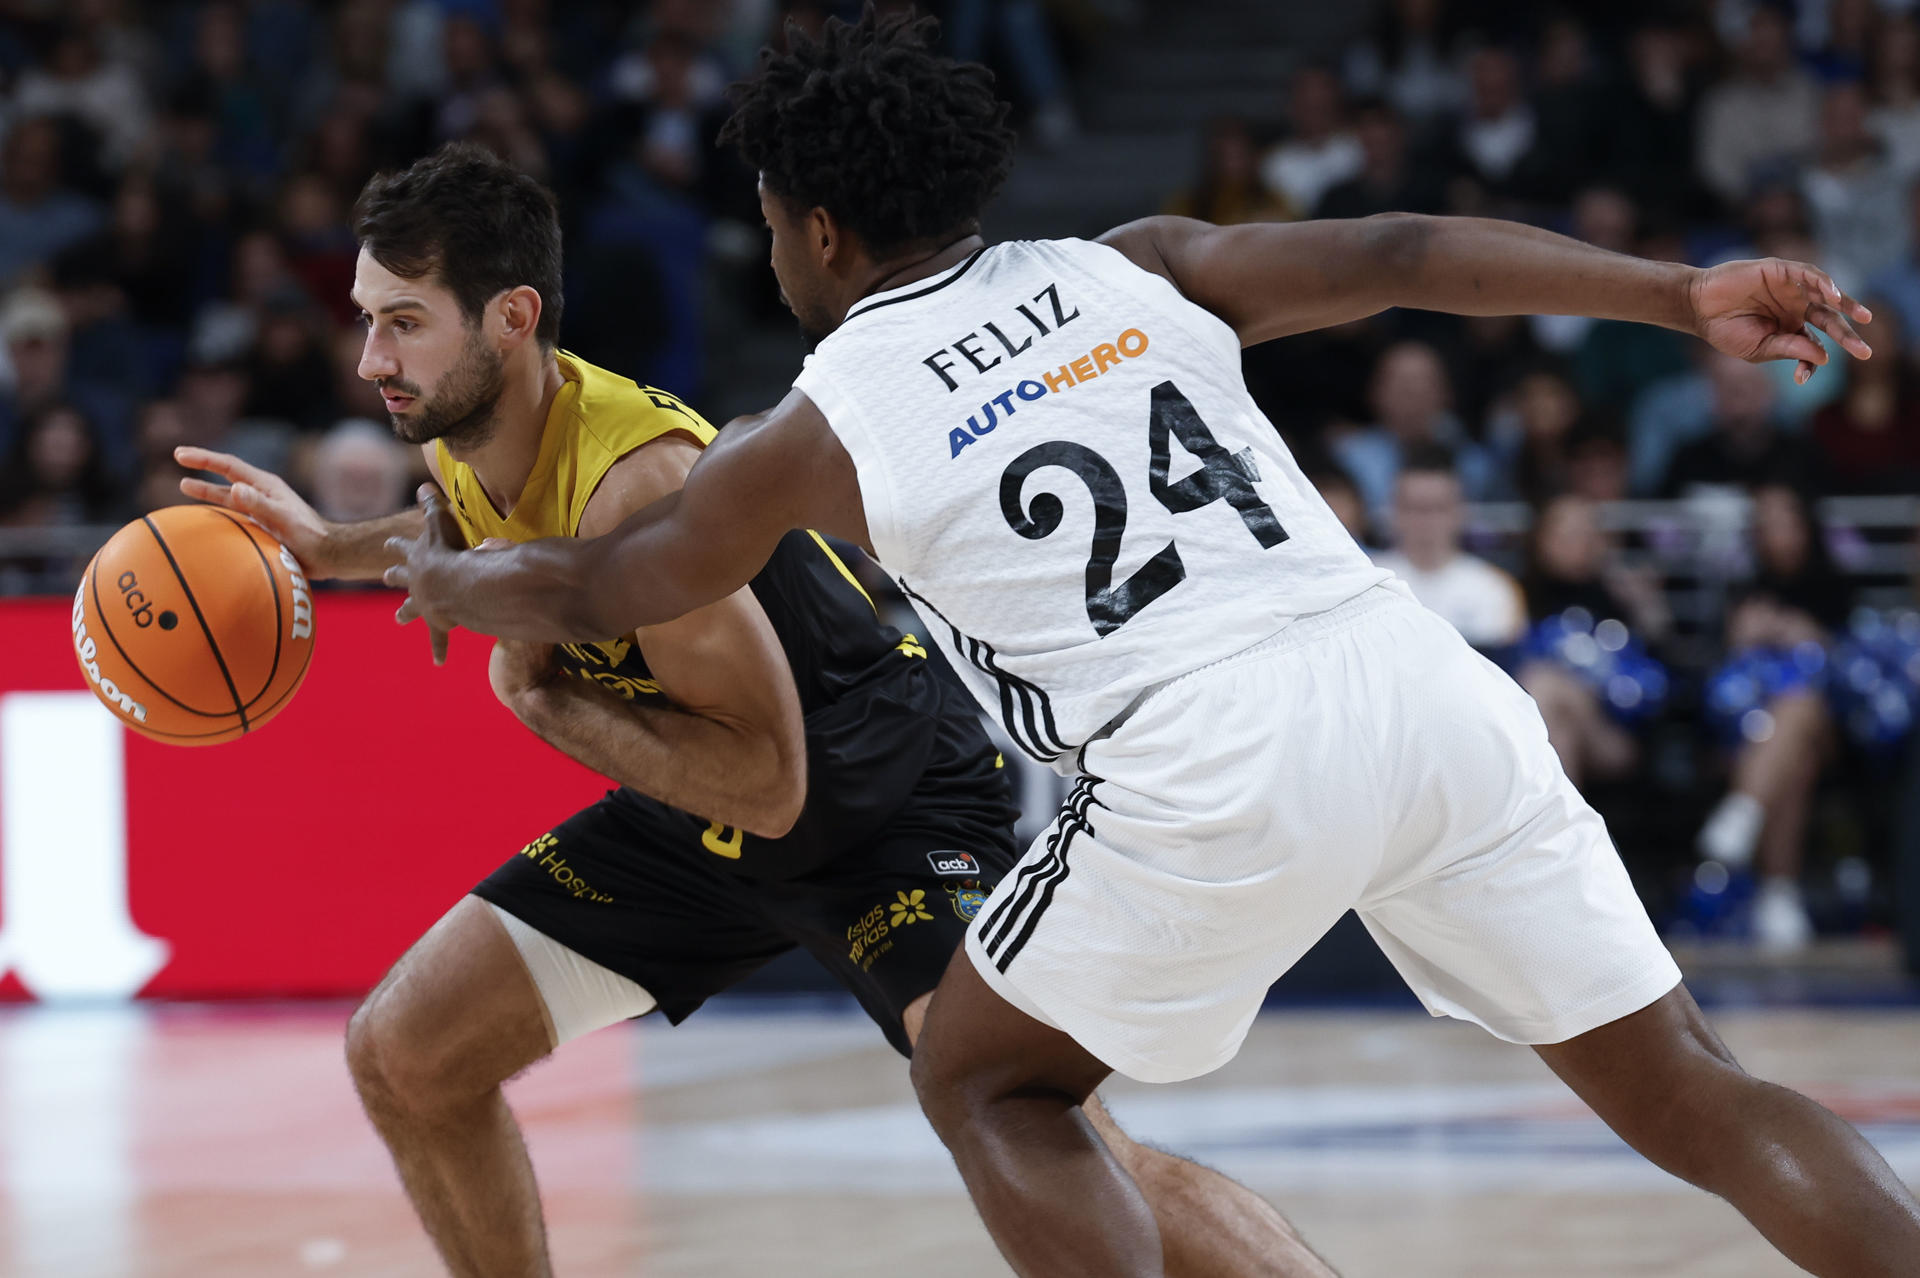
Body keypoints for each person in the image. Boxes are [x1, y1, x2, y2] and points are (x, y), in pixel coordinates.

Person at [386, 12, 1920, 1276]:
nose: (773, 250)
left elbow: (606, 586)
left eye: (775, 221)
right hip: (1422, 688)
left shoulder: (817, 427)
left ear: (820, 226)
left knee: (988, 1078)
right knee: (1695, 1091)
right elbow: (1396, 248)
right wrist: (1680, 290)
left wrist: (455, 587)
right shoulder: (1137, 261)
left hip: (1207, 752)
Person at [175, 142, 1327, 1278]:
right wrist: (334, 547)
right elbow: (477, 544)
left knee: (1046, 1126)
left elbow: (770, 788)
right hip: (697, 799)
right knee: (406, 1055)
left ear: (511, 318)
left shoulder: (639, 478)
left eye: (404, 322)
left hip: (874, 802)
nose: (372, 355)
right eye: (369, 317)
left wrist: (543, 702)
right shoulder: (477, 429)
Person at [1372, 444, 1526, 651]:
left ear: (1460, 511)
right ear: (1395, 511)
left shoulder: (1494, 588)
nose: (1426, 520)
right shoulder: (1368, 582)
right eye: (1415, 507)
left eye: (1438, 508)